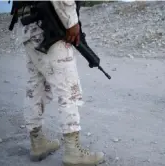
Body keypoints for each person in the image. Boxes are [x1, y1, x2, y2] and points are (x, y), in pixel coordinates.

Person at [13, 1, 105, 165]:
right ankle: (73, 151)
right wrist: (71, 21)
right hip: (48, 23)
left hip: (28, 25)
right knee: (68, 88)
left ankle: (37, 142)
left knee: (36, 86)